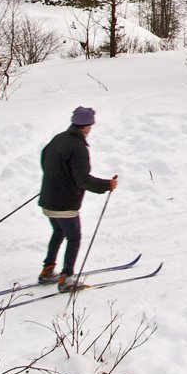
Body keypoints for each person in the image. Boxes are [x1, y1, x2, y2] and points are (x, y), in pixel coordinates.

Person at [37, 106, 117, 292]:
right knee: (74, 237)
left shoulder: (58, 139)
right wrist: (107, 185)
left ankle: (47, 271)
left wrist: (55, 177)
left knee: (58, 232)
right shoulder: (78, 147)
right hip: (64, 204)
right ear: (88, 126)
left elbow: (45, 160)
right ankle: (67, 279)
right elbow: (82, 179)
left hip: (48, 199)